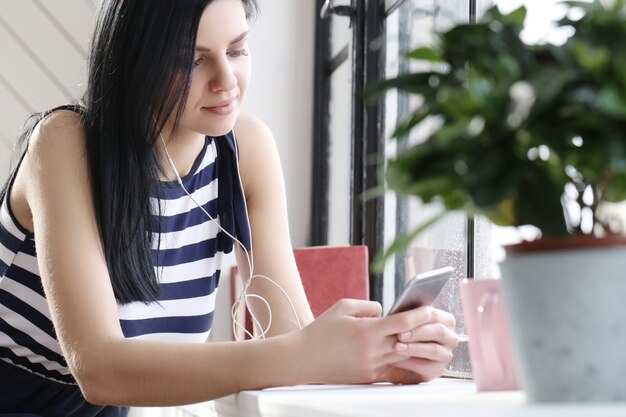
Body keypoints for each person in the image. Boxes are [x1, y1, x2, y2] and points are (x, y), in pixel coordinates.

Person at [0, 0, 459, 415]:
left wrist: (381, 357)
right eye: (194, 60)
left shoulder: (245, 150)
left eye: (237, 50)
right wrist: (311, 352)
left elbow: (288, 334)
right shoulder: (65, 143)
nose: (226, 81)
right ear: (136, 62)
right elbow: (99, 369)